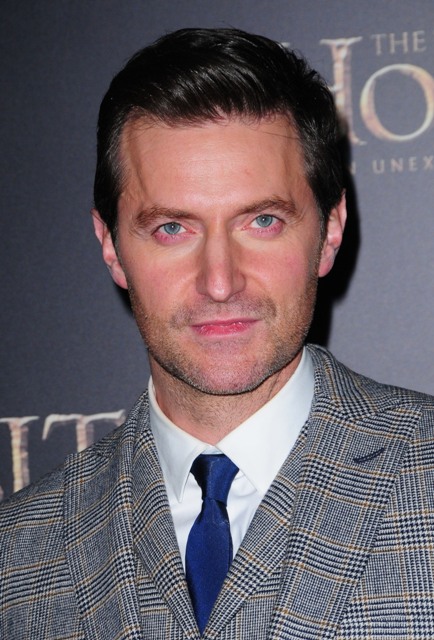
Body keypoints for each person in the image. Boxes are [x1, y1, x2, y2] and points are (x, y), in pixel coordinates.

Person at [1, 28, 434, 640]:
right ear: (111, 247)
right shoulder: (16, 555)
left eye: (263, 220)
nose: (220, 282)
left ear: (330, 229)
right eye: (172, 229)